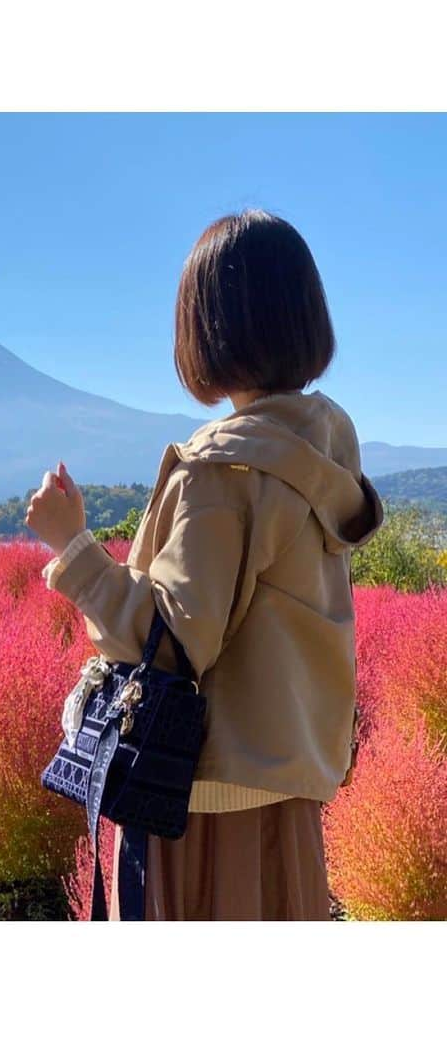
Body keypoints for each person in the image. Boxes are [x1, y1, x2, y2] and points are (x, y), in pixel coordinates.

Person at [25, 209, 384, 921]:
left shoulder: (222, 470)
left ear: (206, 328)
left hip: (203, 802)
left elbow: (173, 639)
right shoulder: (319, 454)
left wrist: (73, 549)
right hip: (287, 791)